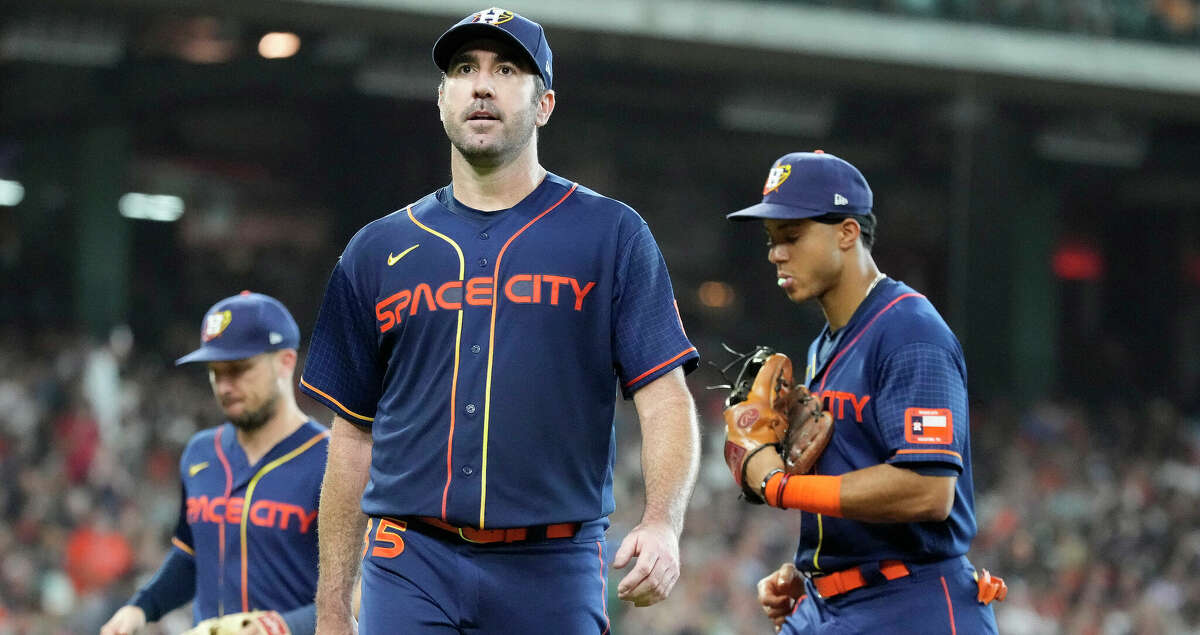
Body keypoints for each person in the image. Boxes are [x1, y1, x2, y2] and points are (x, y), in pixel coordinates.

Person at [298, 7, 702, 634]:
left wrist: (662, 523)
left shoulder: (611, 234)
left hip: (552, 565)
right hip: (410, 562)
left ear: (544, 104)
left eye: (506, 69)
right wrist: (330, 611)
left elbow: (665, 397)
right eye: (464, 69)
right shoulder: (376, 249)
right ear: (441, 100)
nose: (481, 85)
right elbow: (351, 437)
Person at [725, 152, 1003, 633]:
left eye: (792, 236)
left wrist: (782, 487)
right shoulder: (822, 347)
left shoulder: (911, 333)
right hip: (832, 606)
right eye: (772, 241)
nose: (776, 253)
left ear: (847, 233)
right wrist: (817, 569)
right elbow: (853, 473)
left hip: (912, 606)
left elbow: (928, 490)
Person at [101, 291, 328, 635]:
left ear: (285, 361)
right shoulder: (200, 453)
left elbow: (365, 587)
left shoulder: (331, 460)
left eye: (239, 369)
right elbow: (192, 556)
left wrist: (281, 626)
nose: (225, 386)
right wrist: (140, 608)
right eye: (215, 371)